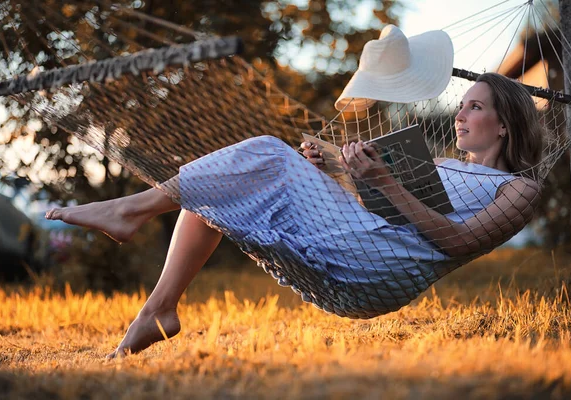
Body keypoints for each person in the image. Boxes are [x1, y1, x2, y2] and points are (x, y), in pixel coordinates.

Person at [45, 23, 544, 357]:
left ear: (505, 124)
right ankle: (158, 310)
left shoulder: (520, 189)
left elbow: (457, 242)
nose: (461, 114)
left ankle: (129, 212)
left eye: (475, 107)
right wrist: (338, 167)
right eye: (463, 106)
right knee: (220, 188)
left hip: (381, 271)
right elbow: (378, 207)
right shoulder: (437, 164)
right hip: (361, 243)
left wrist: (386, 181)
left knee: (262, 151)